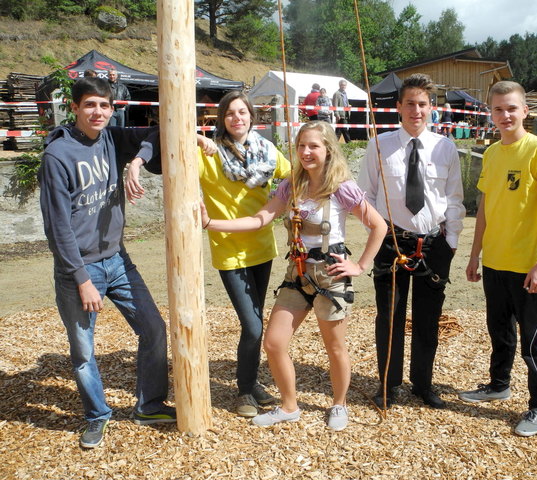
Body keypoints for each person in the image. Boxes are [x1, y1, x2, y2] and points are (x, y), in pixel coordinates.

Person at [38, 77, 205, 449]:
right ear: (76, 108)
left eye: (105, 105)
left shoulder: (112, 139)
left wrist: (137, 163)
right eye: (90, 105)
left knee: (154, 328)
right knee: (83, 351)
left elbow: (165, 128)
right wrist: (81, 278)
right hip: (78, 269)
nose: (98, 112)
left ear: (113, 109)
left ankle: (148, 405)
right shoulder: (58, 156)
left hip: (117, 259)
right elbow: (57, 228)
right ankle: (97, 416)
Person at [201, 121, 386, 430]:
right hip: (297, 272)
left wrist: (360, 265)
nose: (306, 152)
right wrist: (211, 224)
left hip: (329, 275)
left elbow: (378, 226)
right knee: (274, 342)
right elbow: (261, 219)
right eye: (301, 146)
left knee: (335, 346)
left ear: (328, 149)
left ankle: (339, 404)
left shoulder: (341, 187)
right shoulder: (291, 185)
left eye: (313, 146)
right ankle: (289, 406)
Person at [168, 90, 290, 418]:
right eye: (230, 114)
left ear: (252, 116)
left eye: (242, 112)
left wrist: (288, 203)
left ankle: (250, 383)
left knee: (256, 324)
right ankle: (244, 391)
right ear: (222, 120)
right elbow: (168, 142)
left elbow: (294, 175)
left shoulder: (267, 151)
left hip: (263, 248)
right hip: (230, 251)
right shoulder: (208, 154)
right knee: (252, 326)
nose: (237, 118)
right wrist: (196, 136)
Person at [458, 81, 537, 437]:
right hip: (495, 262)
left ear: (525, 111)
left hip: (527, 265)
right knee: (499, 330)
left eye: (511, 108)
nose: (505, 116)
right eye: (498, 109)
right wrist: (475, 255)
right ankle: (498, 384)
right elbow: (486, 210)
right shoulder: (491, 154)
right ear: (490, 113)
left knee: (534, 338)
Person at [358, 73, 465, 411]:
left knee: (427, 318)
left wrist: (451, 241)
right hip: (391, 242)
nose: (416, 110)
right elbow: (366, 197)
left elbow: (454, 199)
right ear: (399, 107)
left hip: (433, 244)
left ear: (431, 108)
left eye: (422, 104)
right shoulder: (379, 145)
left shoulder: (446, 148)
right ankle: (388, 385)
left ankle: (423, 384)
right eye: (410, 104)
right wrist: (378, 235)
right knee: (389, 317)